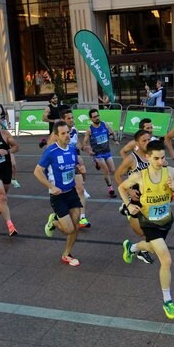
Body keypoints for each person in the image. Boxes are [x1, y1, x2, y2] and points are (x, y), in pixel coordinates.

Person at [118, 140, 174, 319]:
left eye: (163, 158)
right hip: (148, 222)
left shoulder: (170, 172)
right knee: (166, 260)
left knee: (150, 248)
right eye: (156, 158)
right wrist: (129, 205)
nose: (160, 161)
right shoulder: (140, 176)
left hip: (166, 221)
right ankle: (167, 301)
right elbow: (122, 187)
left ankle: (131, 248)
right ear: (147, 157)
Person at [34, 120, 85, 267]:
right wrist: (51, 186)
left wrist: (80, 171)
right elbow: (37, 171)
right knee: (68, 229)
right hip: (58, 196)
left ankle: (66, 254)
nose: (67, 135)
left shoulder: (72, 149)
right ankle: (54, 221)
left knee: (76, 226)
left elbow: (73, 168)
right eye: (63, 133)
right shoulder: (51, 151)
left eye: (68, 132)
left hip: (72, 192)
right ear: (56, 136)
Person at [114, 129, 155, 264]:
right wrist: (129, 191)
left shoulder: (153, 155)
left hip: (151, 199)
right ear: (137, 143)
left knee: (154, 234)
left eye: (149, 139)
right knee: (142, 233)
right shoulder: (132, 159)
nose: (147, 142)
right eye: (144, 140)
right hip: (136, 200)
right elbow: (117, 176)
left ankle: (141, 251)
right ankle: (132, 247)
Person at [47, 109, 91, 228]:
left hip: (73, 163)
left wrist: (84, 148)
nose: (72, 120)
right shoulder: (56, 135)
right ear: (63, 120)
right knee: (64, 193)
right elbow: (49, 148)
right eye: (69, 118)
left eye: (72, 118)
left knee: (80, 189)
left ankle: (82, 218)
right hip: (61, 167)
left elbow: (75, 144)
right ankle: (56, 218)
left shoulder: (74, 130)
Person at [83, 108, 120, 197]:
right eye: (94, 117)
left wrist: (115, 140)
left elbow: (113, 133)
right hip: (98, 154)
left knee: (113, 170)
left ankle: (97, 163)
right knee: (106, 171)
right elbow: (84, 142)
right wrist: (88, 150)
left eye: (97, 115)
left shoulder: (105, 125)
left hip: (107, 151)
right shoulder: (90, 130)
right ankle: (110, 189)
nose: (97, 118)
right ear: (91, 119)